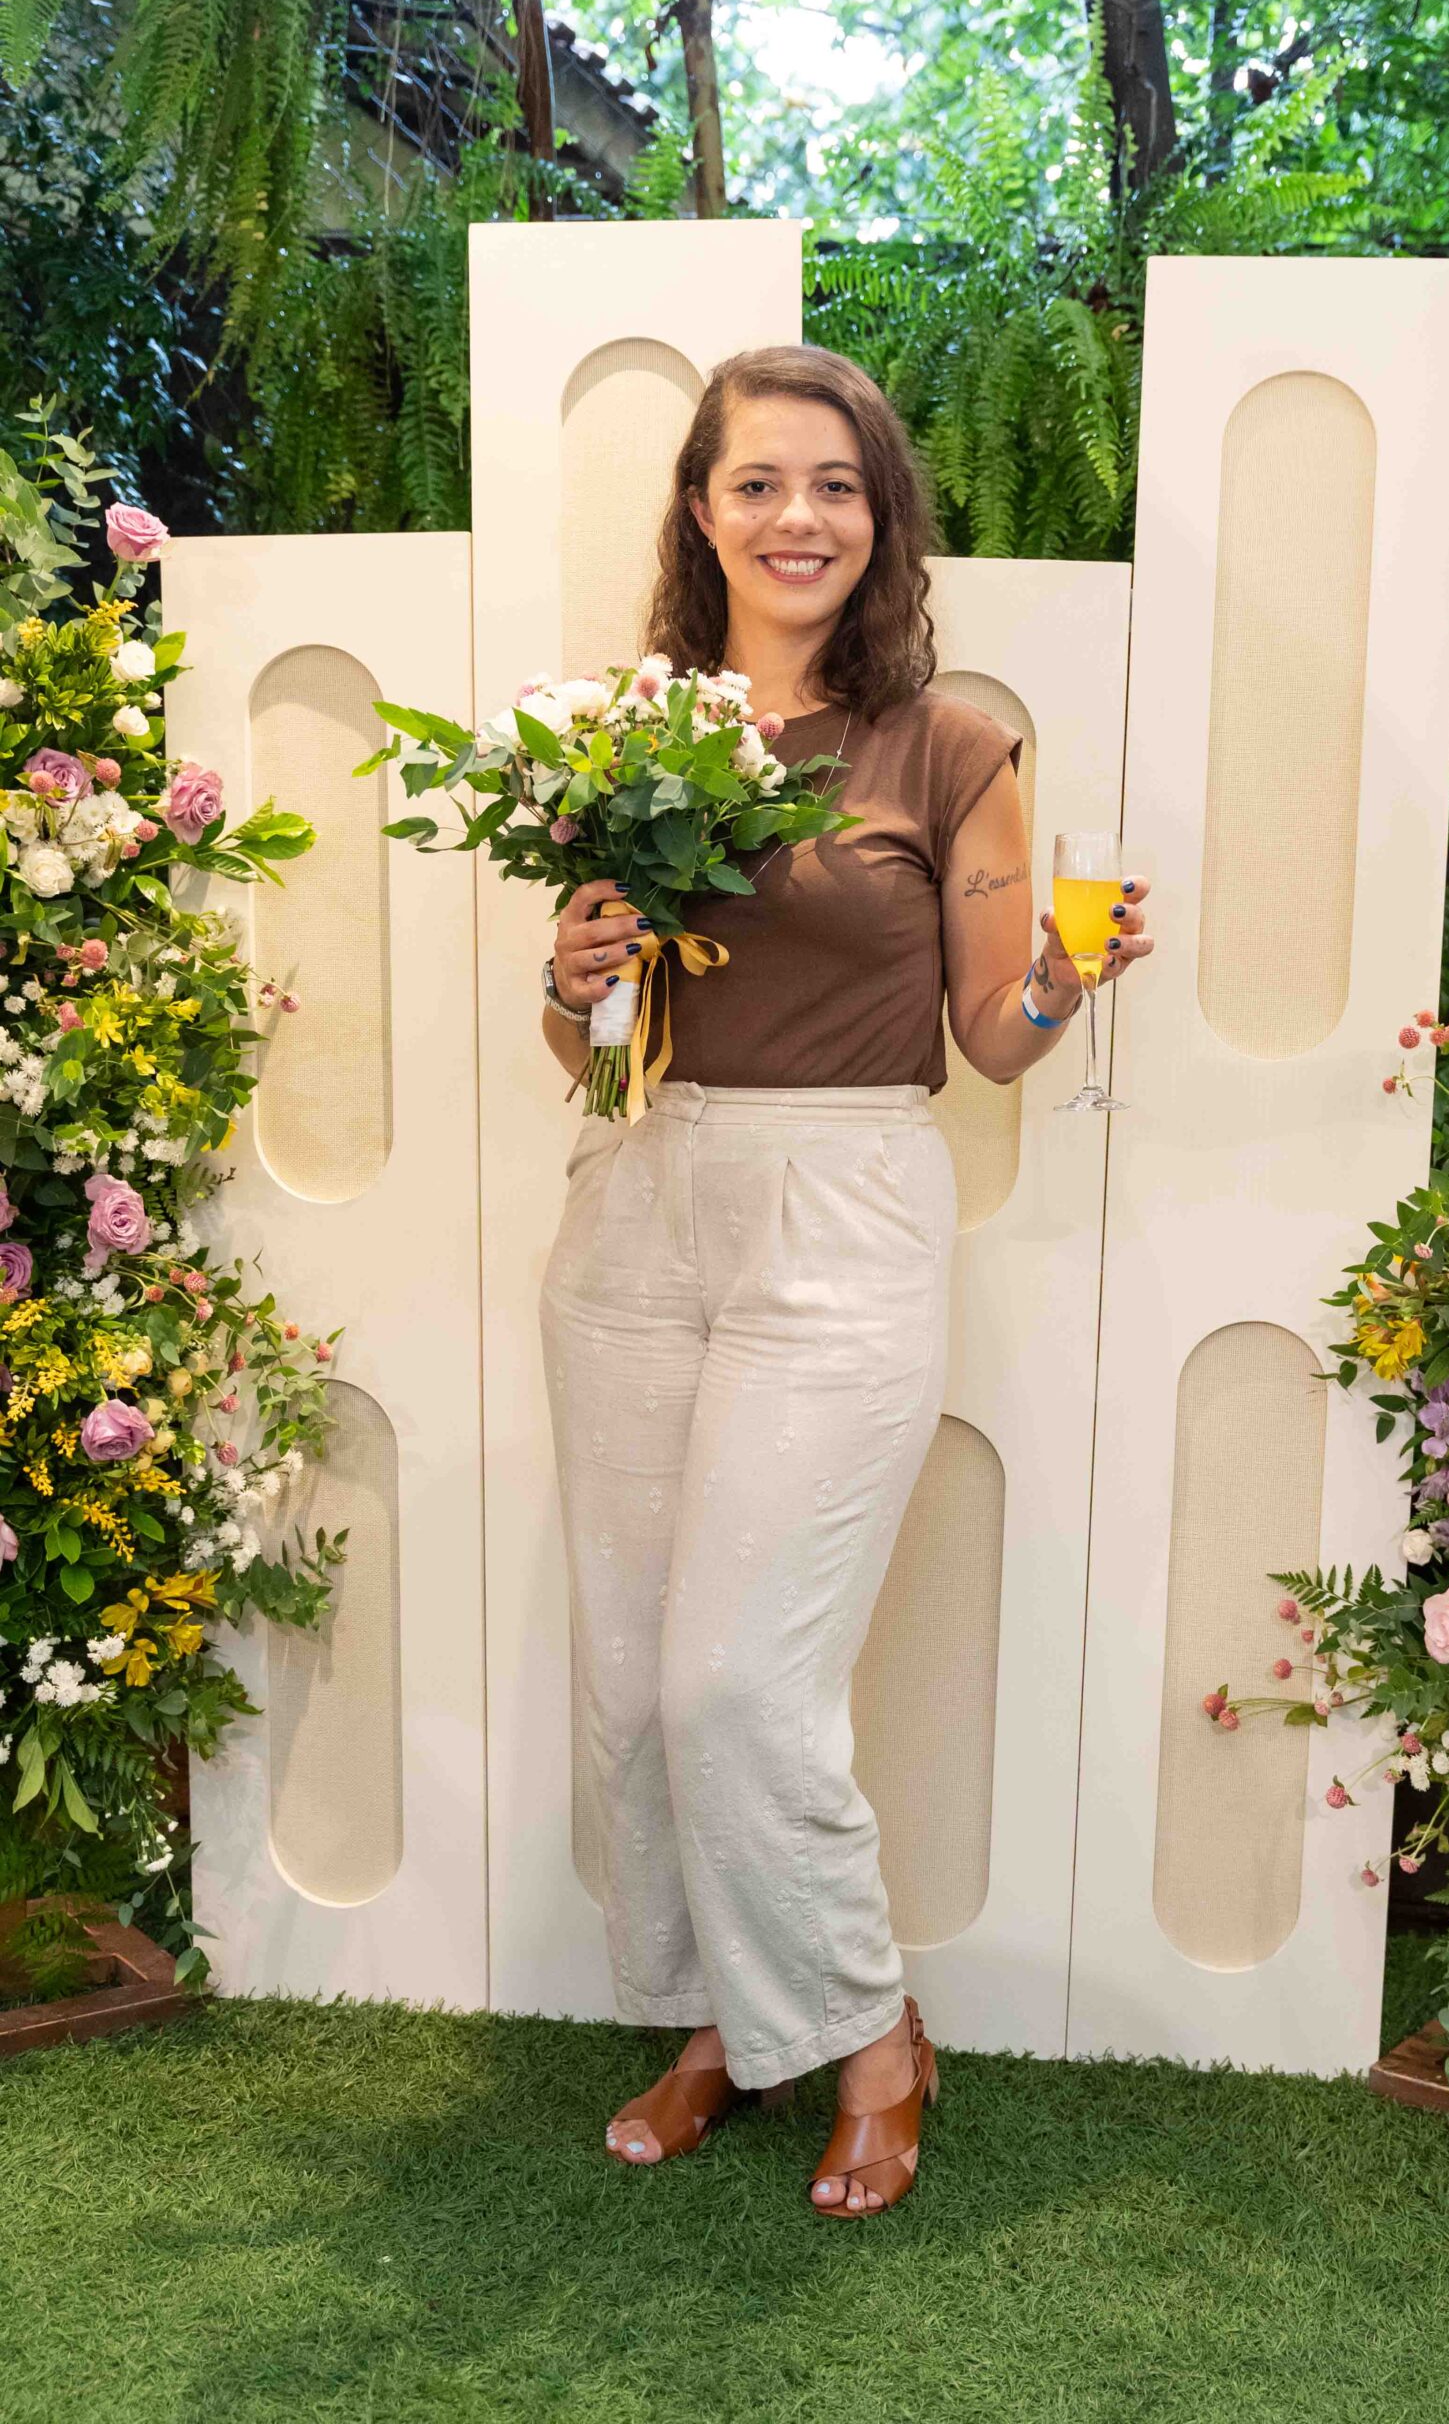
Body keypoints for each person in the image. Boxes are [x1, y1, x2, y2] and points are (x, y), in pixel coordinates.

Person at [537, 344, 1152, 2218]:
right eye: (758, 483)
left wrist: (1067, 979)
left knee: (737, 1681)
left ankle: (873, 2038)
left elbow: (992, 1036)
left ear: (881, 518)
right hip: (635, 1203)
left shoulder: (949, 746)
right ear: (701, 511)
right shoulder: (628, 739)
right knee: (634, 1685)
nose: (796, 517)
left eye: (836, 485)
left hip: (843, 1209)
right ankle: (726, 2022)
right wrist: (569, 983)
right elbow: (595, 1049)